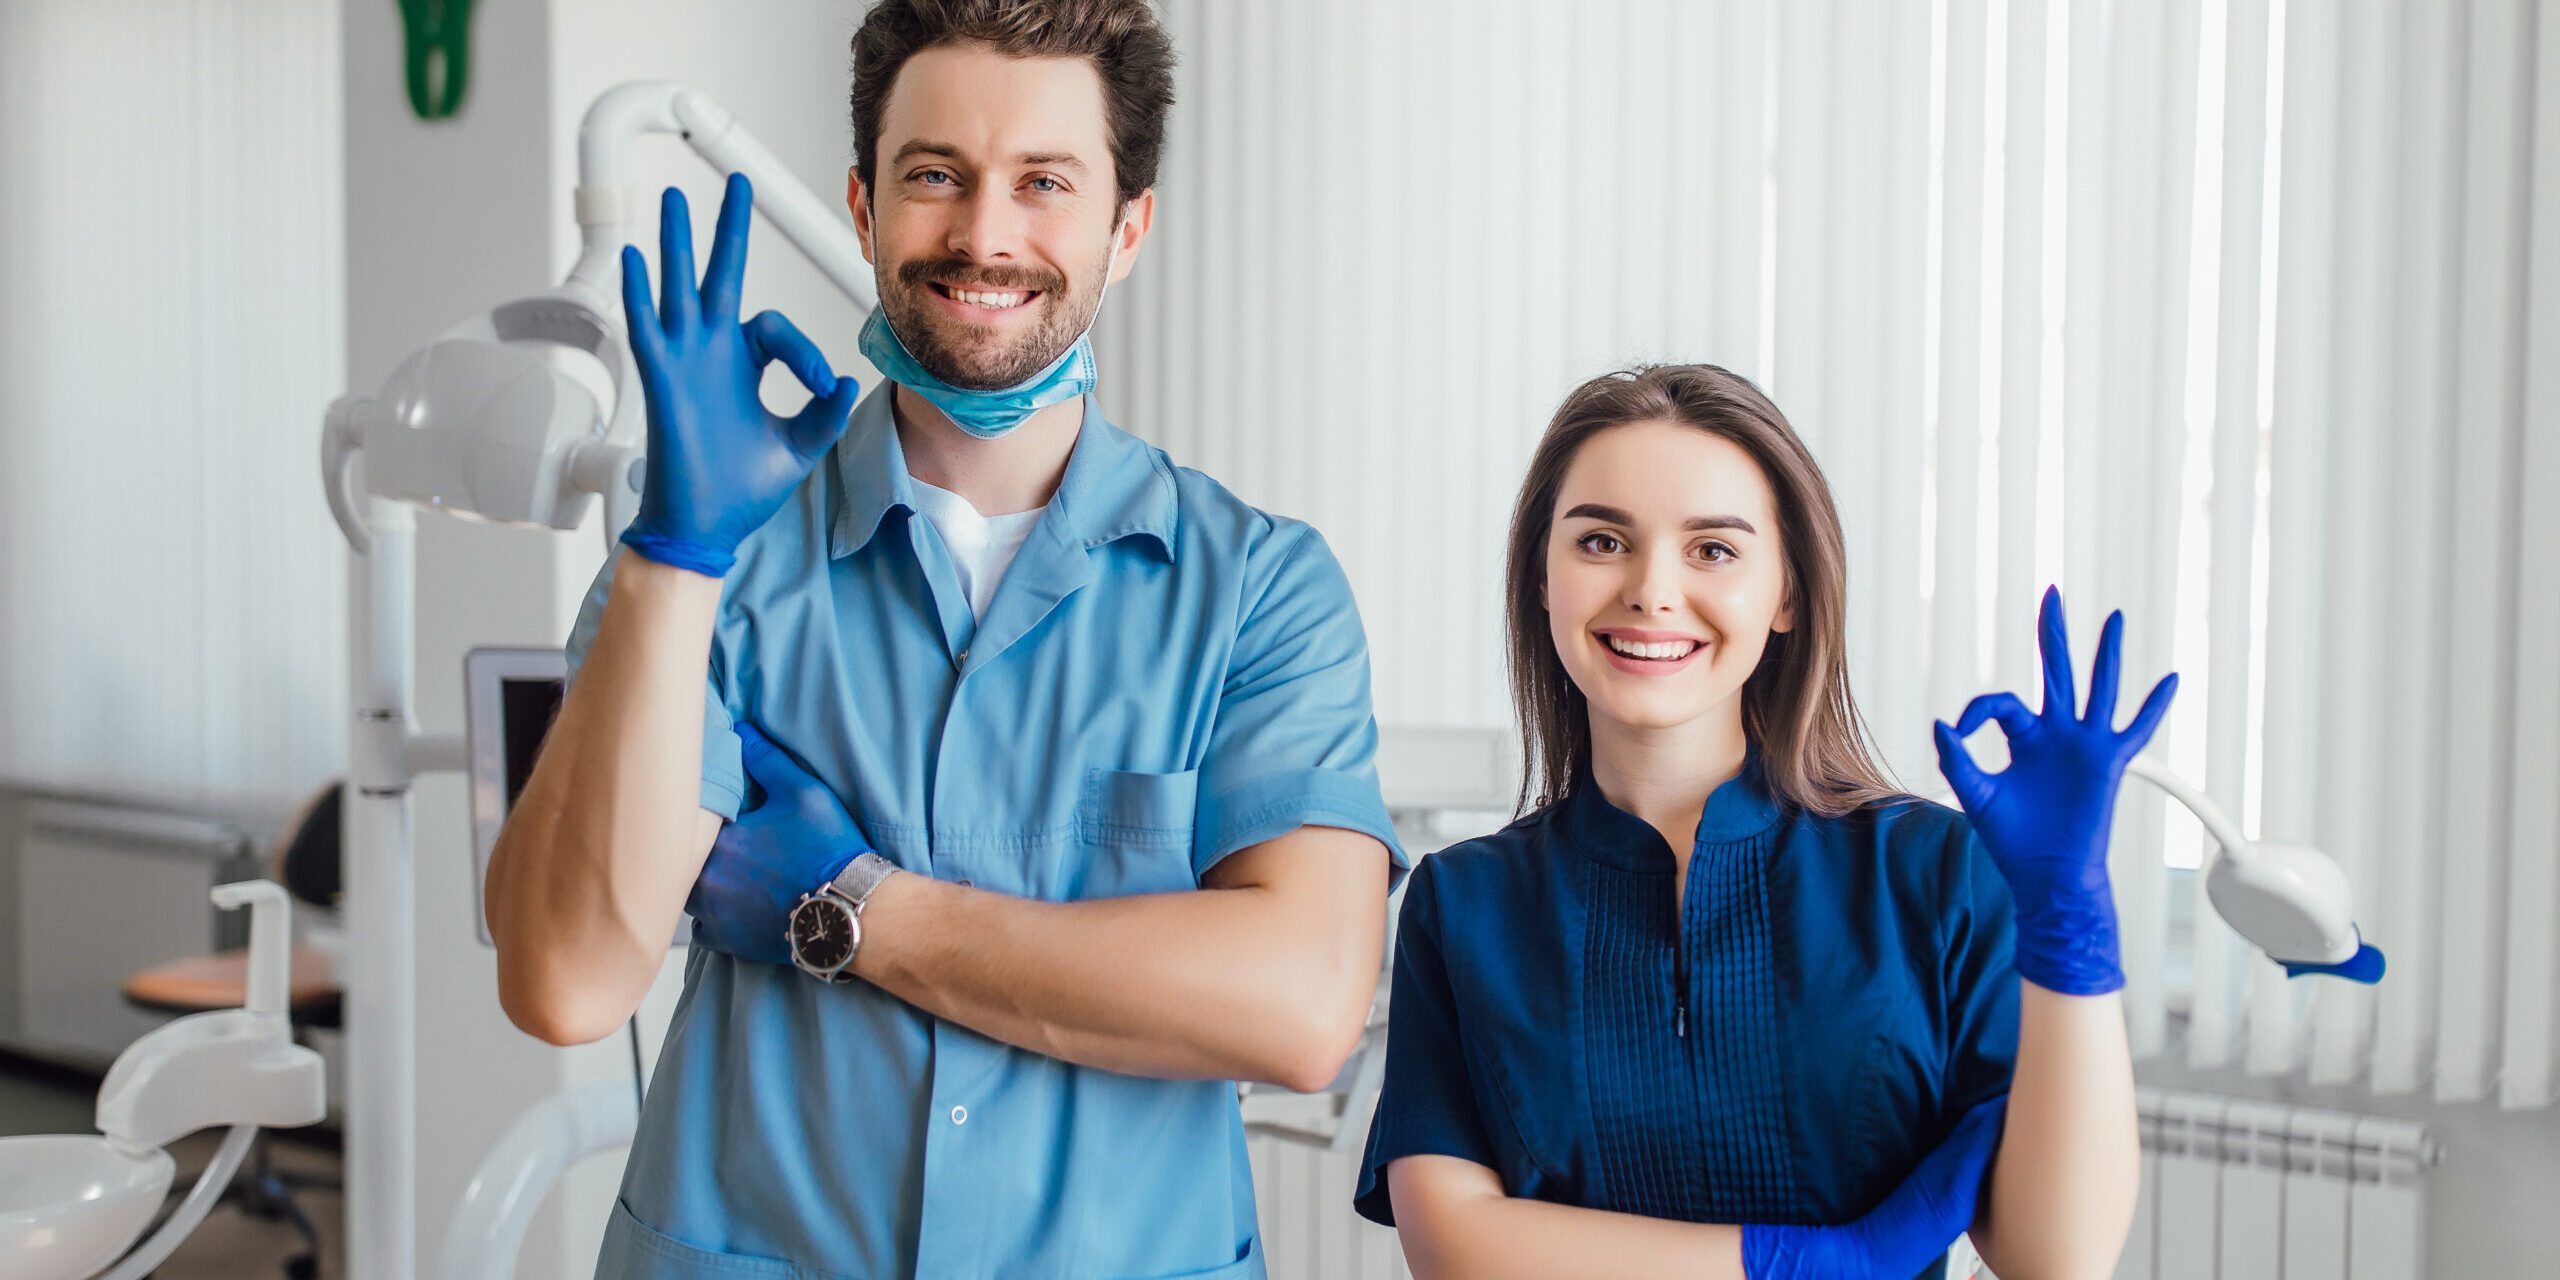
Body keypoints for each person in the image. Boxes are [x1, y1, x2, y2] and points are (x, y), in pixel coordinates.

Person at [483, 3, 1401, 1277]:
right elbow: (567, 979)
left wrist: (854, 907)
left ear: (1126, 226)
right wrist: (672, 558)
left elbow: (1301, 1008)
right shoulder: (717, 559)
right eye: (935, 177)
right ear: (863, 207)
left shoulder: (1257, 590)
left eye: (1043, 183)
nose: (984, 233)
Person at [1354, 365, 2168, 1279]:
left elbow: (2057, 1259)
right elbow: (1455, 1249)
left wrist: (2072, 923)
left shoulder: (1933, 874)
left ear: (1786, 594)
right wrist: (1803, 1263)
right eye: (1603, 541)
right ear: (1544, 578)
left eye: (1713, 550)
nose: (1652, 591)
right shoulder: (1462, 904)